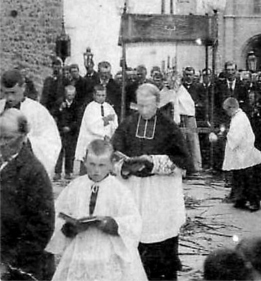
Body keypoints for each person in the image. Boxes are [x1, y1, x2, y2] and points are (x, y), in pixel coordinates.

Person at [112, 83, 191, 280]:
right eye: (139, 105)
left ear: (157, 103)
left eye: (147, 105)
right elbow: (112, 155)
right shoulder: (128, 124)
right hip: (133, 190)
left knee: (160, 249)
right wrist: (124, 166)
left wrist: (153, 162)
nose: (142, 110)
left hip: (159, 194)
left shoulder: (169, 127)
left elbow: (181, 162)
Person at [47, 139, 147, 281]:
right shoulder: (75, 187)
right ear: (84, 162)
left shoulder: (120, 190)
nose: (96, 170)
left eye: (102, 165)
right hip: (80, 251)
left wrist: (114, 224)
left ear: (111, 165)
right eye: (92, 164)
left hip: (109, 252)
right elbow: (57, 215)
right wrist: (69, 227)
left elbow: (134, 221)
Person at [0, 108, 55, 281]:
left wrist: (8, 264)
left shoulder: (34, 172)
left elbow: (41, 228)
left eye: (8, 138)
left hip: (19, 267)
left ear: (23, 137)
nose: (1, 143)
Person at [0, 69, 61, 178]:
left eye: (13, 92)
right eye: (6, 93)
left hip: (26, 172)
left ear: (23, 88)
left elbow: (52, 143)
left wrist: (27, 142)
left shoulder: (37, 111)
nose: (9, 98)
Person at [213, 96, 261, 212]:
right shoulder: (238, 117)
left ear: (231, 108)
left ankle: (253, 202)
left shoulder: (239, 119)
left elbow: (236, 137)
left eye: (226, 110)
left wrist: (225, 134)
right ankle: (239, 199)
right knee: (239, 177)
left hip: (245, 154)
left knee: (248, 179)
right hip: (241, 153)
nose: (226, 113)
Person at [75, 85, 118, 170]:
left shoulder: (108, 107)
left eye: (103, 95)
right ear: (94, 95)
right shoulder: (90, 108)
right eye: (99, 95)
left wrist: (109, 133)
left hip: (105, 139)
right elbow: (91, 125)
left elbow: (114, 121)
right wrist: (105, 120)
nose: (101, 98)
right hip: (91, 138)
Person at [53, 84, 81, 180]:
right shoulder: (59, 102)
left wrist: (70, 127)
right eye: (68, 95)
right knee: (59, 152)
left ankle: (68, 172)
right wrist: (60, 109)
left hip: (71, 132)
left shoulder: (77, 105)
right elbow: (54, 115)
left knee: (70, 153)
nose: (70, 97)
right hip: (60, 131)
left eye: (72, 95)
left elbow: (78, 119)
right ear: (65, 94)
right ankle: (57, 172)